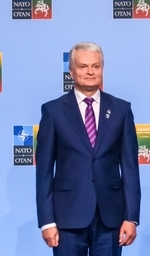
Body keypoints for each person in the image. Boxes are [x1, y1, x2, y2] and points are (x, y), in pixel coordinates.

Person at [36, 42, 141, 256]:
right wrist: (47, 221)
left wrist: (131, 217)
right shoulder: (53, 111)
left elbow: (130, 168)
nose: (90, 72)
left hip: (110, 218)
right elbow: (44, 172)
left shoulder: (121, 110)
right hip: (67, 218)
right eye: (83, 66)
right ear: (71, 71)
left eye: (96, 66)